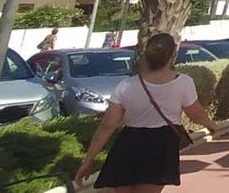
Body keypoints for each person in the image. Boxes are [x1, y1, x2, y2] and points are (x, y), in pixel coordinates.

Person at [74, 33, 216, 191]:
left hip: (129, 142)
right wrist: (212, 125)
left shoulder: (126, 85)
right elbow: (195, 114)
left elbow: (107, 126)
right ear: (172, 55)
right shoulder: (183, 82)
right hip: (161, 144)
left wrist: (88, 160)